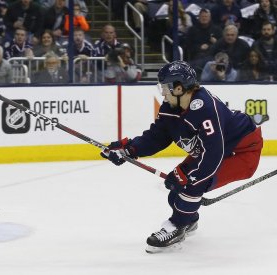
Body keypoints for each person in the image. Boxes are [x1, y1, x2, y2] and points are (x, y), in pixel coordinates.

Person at [101, 61, 262, 253]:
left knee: (193, 183)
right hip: (213, 150)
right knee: (175, 191)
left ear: (179, 87)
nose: (162, 92)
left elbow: (213, 154)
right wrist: (130, 149)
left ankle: (177, 225)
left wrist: (189, 177)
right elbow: (156, 137)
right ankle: (189, 219)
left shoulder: (205, 109)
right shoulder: (170, 106)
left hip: (242, 153)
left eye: (165, 87)